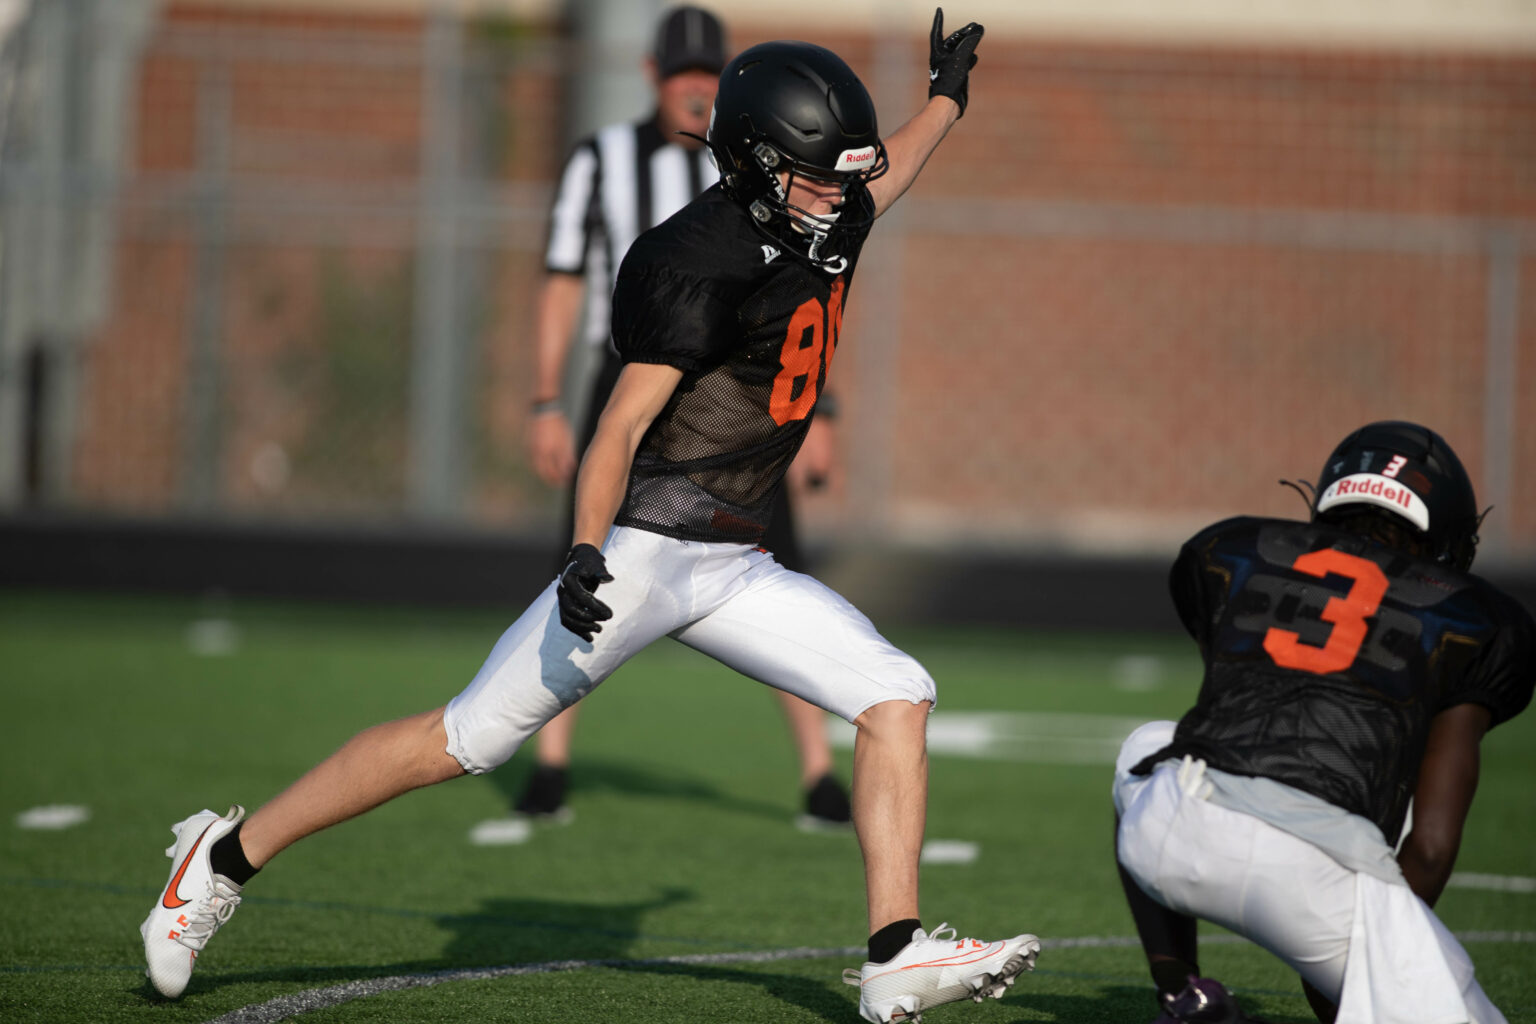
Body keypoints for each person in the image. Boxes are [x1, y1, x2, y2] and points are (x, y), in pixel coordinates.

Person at [140, 13, 1045, 1023]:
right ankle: (220, 858)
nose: (843, 195)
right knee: (462, 740)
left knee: (897, 693)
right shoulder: (696, 257)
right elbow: (617, 426)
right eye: (819, 176)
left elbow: (891, 171)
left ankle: (893, 954)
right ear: (758, 167)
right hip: (647, 553)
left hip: (736, 563)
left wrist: (947, 97)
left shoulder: (820, 212)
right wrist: (583, 549)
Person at [521, 3, 851, 831]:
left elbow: (801, 292)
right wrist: (545, 398)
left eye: (708, 75)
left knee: (776, 554)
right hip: (630, 375)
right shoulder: (601, 159)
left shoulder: (758, 167)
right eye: (682, 76)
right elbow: (562, 277)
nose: (696, 90)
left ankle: (818, 770)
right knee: (584, 557)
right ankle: (550, 759)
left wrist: (823, 408)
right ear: (652, 77)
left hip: (739, 383)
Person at [1111, 421, 1533, 1024]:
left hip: (1174, 834)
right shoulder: (1474, 618)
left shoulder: (1234, 548)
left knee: (1149, 744)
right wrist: (1372, 966)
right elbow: (1432, 846)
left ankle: (1184, 996)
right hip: (1318, 881)